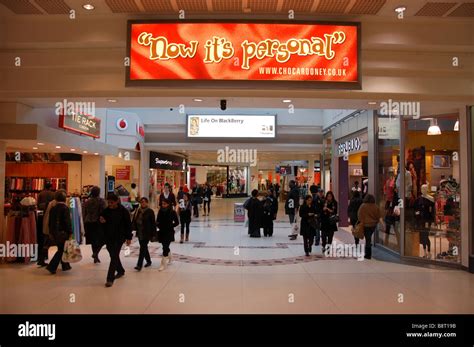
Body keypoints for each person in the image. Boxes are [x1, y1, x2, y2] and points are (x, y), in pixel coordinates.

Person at [100, 193, 133, 288]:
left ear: (117, 201)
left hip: (119, 237)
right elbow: (102, 222)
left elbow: (128, 225)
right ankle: (121, 270)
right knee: (112, 254)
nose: (110, 204)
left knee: (114, 256)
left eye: (112, 202)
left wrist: (129, 237)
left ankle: (110, 279)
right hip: (109, 237)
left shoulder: (123, 211)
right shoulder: (106, 211)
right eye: (108, 202)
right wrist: (102, 222)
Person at [46, 191, 72, 275]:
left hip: (54, 232)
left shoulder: (53, 208)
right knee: (61, 250)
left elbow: (50, 222)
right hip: (63, 232)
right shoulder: (65, 208)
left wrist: (50, 232)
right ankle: (52, 267)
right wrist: (70, 231)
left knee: (62, 248)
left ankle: (65, 265)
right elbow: (67, 222)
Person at [82, 186, 106, 263]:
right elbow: (104, 212)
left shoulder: (87, 201)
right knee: (102, 239)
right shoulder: (101, 201)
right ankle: (96, 253)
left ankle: (95, 256)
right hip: (97, 222)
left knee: (93, 240)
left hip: (88, 222)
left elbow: (84, 212)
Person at [131, 197, 156, 271]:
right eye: (142, 202)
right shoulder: (138, 211)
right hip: (140, 232)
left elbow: (153, 224)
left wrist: (154, 234)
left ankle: (139, 265)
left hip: (147, 232)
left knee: (142, 248)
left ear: (147, 203)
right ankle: (148, 261)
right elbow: (134, 220)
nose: (143, 203)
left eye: (144, 202)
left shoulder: (150, 211)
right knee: (143, 247)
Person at [156, 198, 179, 271]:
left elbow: (177, 222)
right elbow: (157, 221)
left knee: (165, 247)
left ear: (168, 204)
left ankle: (163, 264)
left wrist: (170, 226)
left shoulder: (172, 212)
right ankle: (170, 257)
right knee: (164, 246)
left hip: (169, 232)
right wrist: (159, 225)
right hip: (162, 231)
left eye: (164, 204)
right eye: (162, 204)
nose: (163, 205)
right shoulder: (160, 211)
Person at [357, 194, 383, 260]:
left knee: (368, 239)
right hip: (373, 225)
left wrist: (362, 221)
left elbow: (359, 215)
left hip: (366, 225)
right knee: (368, 238)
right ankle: (368, 253)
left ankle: (368, 254)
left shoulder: (363, 206)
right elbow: (379, 215)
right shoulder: (375, 206)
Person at [37, 182, 55, 266]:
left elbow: (38, 205)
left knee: (45, 238)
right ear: (50, 187)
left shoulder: (40, 194)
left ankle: (42, 258)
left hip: (42, 215)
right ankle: (42, 259)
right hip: (51, 217)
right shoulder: (53, 194)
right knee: (48, 240)